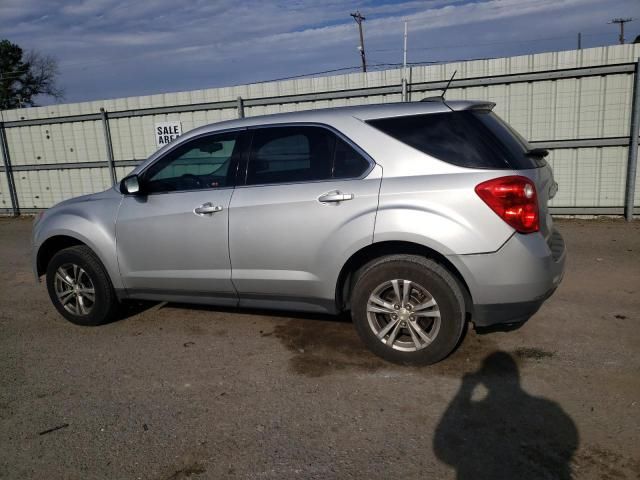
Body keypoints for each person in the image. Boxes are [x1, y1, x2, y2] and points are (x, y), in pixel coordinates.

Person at [434, 351, 578, 479]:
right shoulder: (548, 408)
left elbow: (442, 448)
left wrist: (465, 388)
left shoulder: (475, 411)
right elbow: (569, 440)